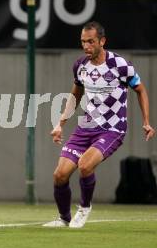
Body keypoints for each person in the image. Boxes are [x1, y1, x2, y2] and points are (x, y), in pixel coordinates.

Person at [43, 21, 155, 228]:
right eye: (83, 42)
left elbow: (141, 90)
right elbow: (75, 95)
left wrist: (147, 122)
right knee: (59, 175)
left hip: (112, 129)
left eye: (91, 42)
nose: (86, 46)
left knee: (85, 166)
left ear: (102, 41)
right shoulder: (80, 66)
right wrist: (60, 124)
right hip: (86, 127)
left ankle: (84, 208)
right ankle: (64, 219)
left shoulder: (120, 65)